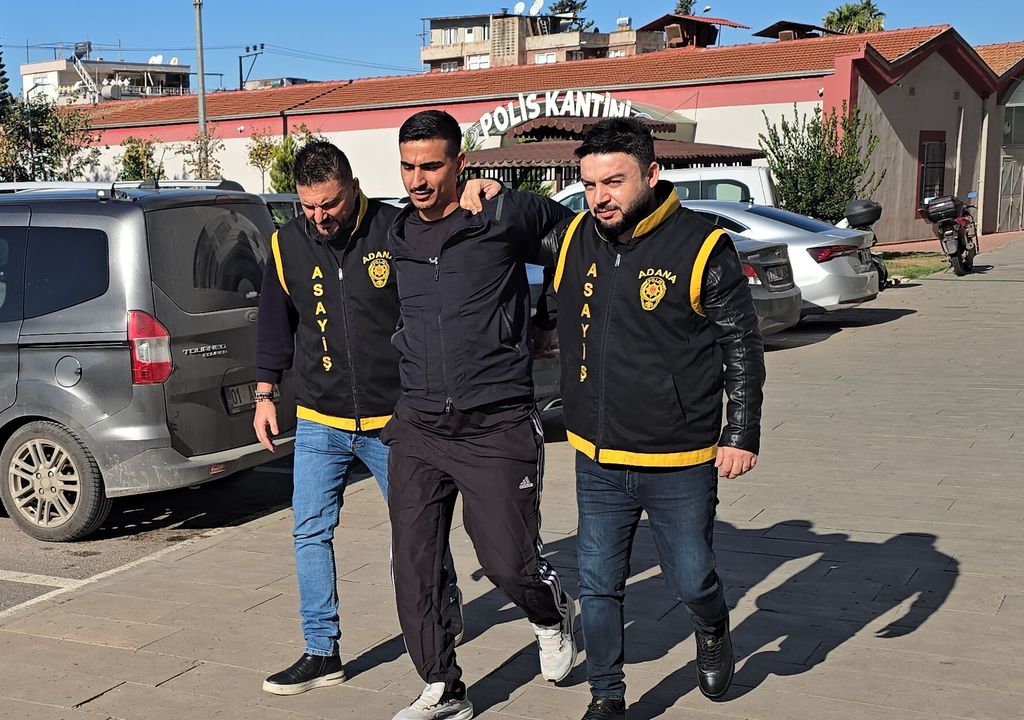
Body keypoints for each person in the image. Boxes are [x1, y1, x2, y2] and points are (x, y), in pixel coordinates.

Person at [538, 118, 765, 720]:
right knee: (598, 583)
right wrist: (484, 191)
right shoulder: (575, 237)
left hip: (678, 457)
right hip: (598, 456)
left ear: (652, 174)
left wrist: (740, 432)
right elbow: (524, 232)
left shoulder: (703, 245)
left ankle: (712, 627)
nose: (599, 198)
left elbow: (741, 345)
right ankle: (606, 696)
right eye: (589, 185)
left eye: (614, 182)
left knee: (691, 578)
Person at [253, 140, 497, 697]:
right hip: (320, 417)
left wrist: (483, 195)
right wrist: (265, 392)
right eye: (308, 206)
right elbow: (274, 321)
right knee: (309, 530)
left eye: (330, 204)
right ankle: (322, 650)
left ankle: (442, 606)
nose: (319, 217)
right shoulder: (286, 243)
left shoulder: (395, 229)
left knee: (419, 531)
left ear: (354, 187)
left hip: (397, 419)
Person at [382, 109, 577, 720]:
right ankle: (443, 687)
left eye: (431, 166)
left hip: (496, 421)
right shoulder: (394, 233)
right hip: (419, 424)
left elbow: (571, 235)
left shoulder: (497, 215)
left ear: (460, 163)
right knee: (414, 566)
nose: (418, 180)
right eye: (408, 167)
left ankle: (552, 613)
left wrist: (546, 318)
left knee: (506, 562)